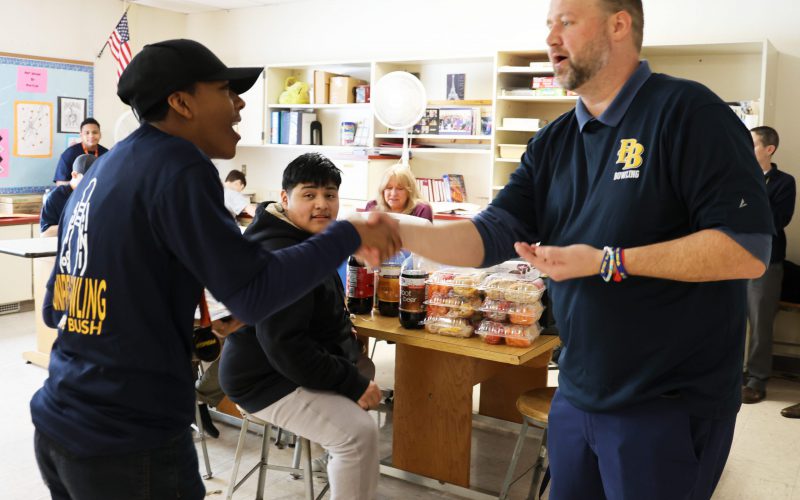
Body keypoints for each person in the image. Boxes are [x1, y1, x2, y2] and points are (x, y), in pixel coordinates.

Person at [396, 1, 774, 498]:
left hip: (667, 401)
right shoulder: (553, 142)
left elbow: (745, 250)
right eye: (547, 25)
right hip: (577, 393)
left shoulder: (689, 112)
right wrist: (398, 231)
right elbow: (490, 234)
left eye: (567, 23)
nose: (551, 38)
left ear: (619, 24)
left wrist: (607, 261)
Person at [31, 39, 399, 500]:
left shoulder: (106, 170)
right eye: (226, 89)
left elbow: (56, 307)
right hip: (127, 439)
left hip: (61, 421)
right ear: (181, 103)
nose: (241, 102)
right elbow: (254, 291)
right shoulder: (180, 163)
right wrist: (350, 235)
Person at [220, 152, 380, 500]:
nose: (322, 205)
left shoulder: (308, 240)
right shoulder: (280, 253)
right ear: (284, 198)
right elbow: (284, 345)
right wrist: (349, 381)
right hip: (262, 377)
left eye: (330, 195)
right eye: (309, 195)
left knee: (362, 417)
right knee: (358, 435)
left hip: (287, 366)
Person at [743, 126, 796, 404]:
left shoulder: (784, 182)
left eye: (751, 144)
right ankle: (734, 373)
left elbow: (777, 221)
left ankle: (757, 379)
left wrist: (748, 199)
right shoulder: (735, 177)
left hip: (766, 262)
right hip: (732, 260)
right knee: (729, 319)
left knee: (761, 323)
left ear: (768, 149)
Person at [39, 154, 96, 237]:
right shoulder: (55, 197)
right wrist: (76, 224)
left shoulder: (94, 193)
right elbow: (45, 233)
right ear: (74, 175)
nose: (90, 183)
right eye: (86, 179)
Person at [365, 164, 433, 221]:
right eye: (389, 188)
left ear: (409, 191)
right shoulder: (372, 206)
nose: (393, 193)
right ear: (383, 190)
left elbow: (424, 236)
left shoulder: (422, 210)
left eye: (400, 188)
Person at [52, 118, 108, 186]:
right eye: (87, 133)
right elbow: (60, 184)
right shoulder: (69, 153)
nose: (91, 136)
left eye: (95, 132)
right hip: (75, 195)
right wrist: (78, 184)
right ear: (81, 135)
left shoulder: (107, 154)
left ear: (100, 134)